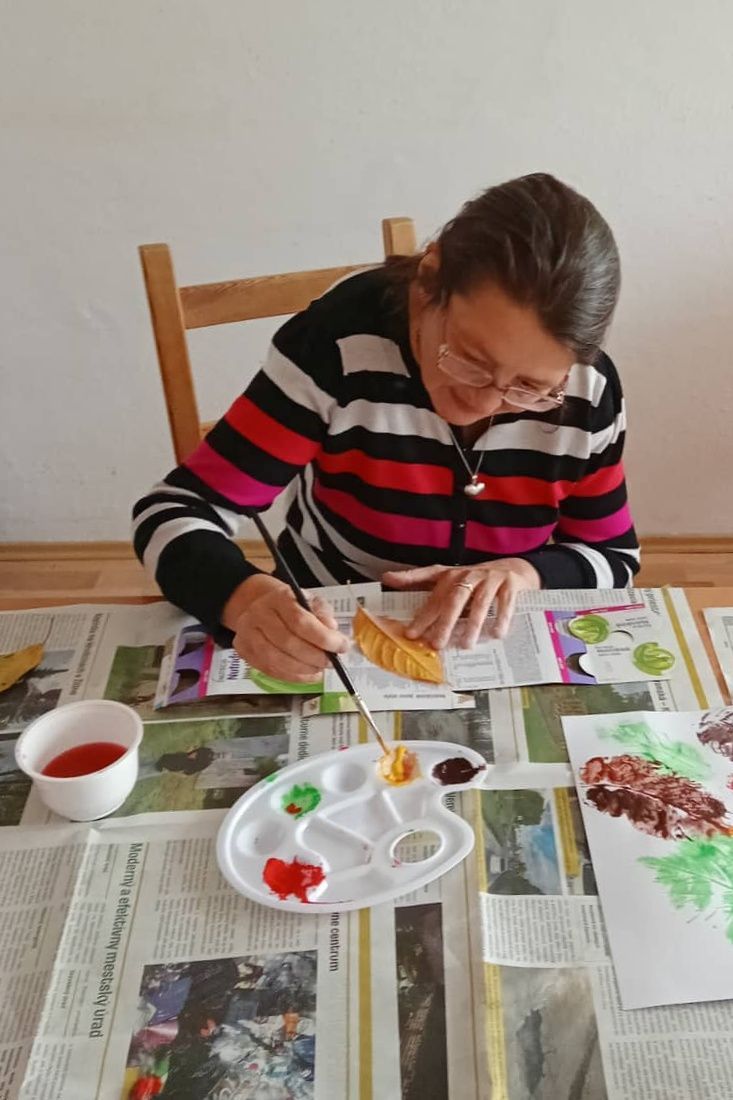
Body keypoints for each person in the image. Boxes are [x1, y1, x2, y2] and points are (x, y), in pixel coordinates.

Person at [133, 173, 638, 683]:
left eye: (529, 387)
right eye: (469, 358)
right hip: (329, 626)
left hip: (496, 640)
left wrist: (525, 572)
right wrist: (245, 601)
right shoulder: (336, 346)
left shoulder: (585, 392)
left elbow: (613, 557)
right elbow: (172, 512)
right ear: (429, 281)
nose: (484, 401)